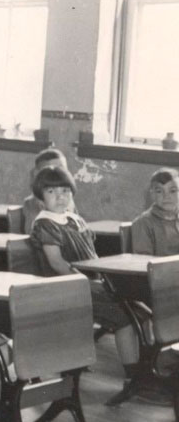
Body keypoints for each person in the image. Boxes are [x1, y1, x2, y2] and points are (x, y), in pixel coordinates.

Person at [28, 166, 145, 387]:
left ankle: (146, 366)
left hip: (89, 282)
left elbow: (92, 255)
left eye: (65, 191)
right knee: (125, 318)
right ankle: (134, 376)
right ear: (40, 198)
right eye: (52, 192)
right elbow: (57, 263)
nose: (60, 197)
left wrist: (104, 277)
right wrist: (87, 281)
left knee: (140, 307)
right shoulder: (45, 223)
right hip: (66, 286)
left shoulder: (74, 220)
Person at [130, 168, 179, 256]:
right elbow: (143, 262)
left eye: (173, 191)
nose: (166, 196)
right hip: (162, 269)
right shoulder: (143, 223)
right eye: (159, 191)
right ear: (152, 194)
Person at [22, 148, 72, 227]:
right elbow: (35, 233)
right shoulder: (32, 203)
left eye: (62, 169)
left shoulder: (68, 199)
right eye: (51, 171)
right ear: (38, 174)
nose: (58, 175)